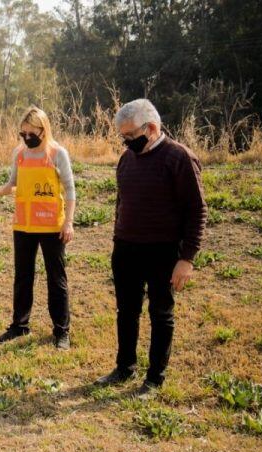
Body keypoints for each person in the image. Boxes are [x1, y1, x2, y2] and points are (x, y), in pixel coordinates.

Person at [94, 99, 207, 398]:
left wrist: (187, 259)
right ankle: (124, 367)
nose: (126, 142)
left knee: (160, 313)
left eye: (131, 136)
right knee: (127, 311)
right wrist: (118, 237)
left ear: (152, 128)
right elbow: (122, 202)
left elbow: (197, 210)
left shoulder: (179, 158)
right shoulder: (126, 160)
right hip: (127, 249)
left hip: (163, 251)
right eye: (123, 137)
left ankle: (155, 379)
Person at [0, 106, 77, 350]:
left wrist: (68, 222)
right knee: (23, 276)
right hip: (23, 226)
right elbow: (13, 183)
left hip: (52, 227)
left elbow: (70, 190)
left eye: (31, 133)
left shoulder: (58, 153)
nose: (27, 138)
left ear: (43, 129)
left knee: (56, 279)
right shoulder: (20, 153)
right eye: (23, 133)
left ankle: (61, 331)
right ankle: (19, 325)